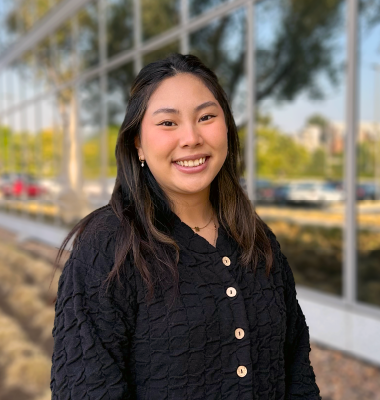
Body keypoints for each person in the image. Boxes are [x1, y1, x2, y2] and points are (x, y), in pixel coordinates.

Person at [50, 53, 321, 399]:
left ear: (226, 128)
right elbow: (86, 389)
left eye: (206, 117)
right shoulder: (109, 247)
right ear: (138, 143)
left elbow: (296, 368)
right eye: (168, 123)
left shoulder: (256, 238)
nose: (191, 138)